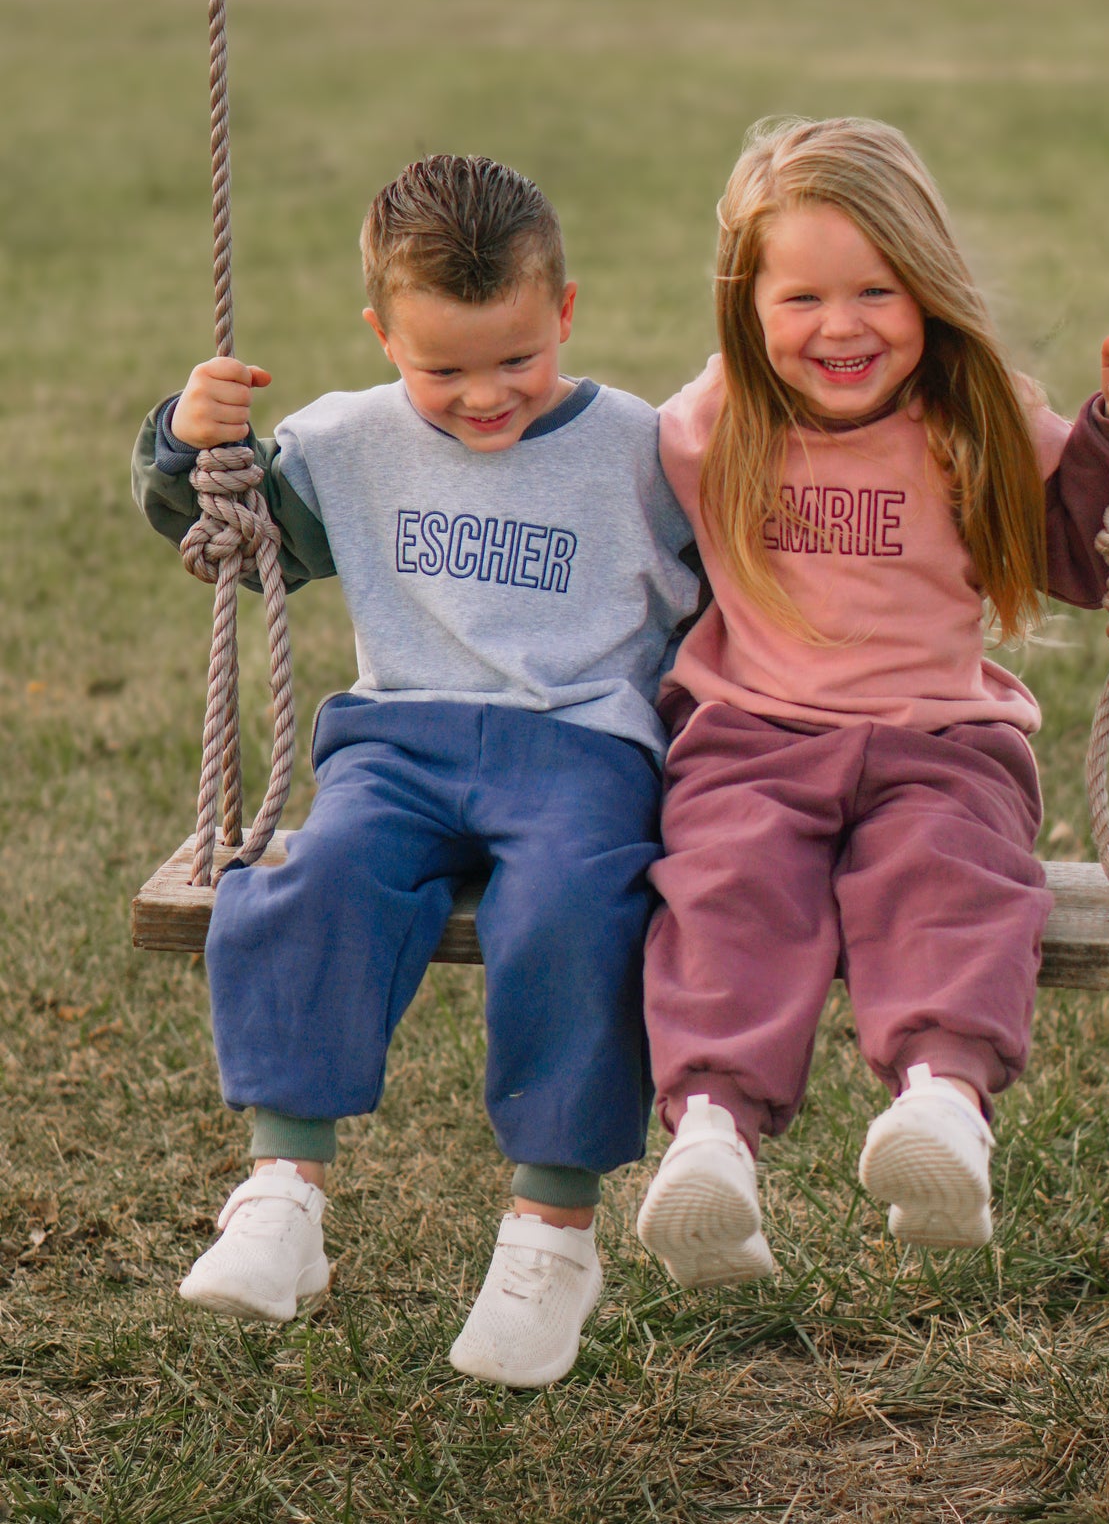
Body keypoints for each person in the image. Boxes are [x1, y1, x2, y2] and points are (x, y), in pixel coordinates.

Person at [133, 153, 699, 1386]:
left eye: (514, 358)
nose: (483, 396)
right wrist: (188, 441)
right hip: (397, 742)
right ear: (380, 331)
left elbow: (739, 581)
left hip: (580, 750)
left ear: (565, 310)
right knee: (315, 872)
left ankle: (551, 1230)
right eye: (439, 366)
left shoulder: (643, 449)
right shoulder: (348, 439)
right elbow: (215, 525)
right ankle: (283, 1185)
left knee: (571, 907)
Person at [635, 116, 1109, 1284]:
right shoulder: (707, 422)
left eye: (874, 290)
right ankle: (710, 1141)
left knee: (954, 875)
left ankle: (941, 1108)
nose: (839, 328)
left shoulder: (975, 419)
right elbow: (592, 505)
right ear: (746, 304)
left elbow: (1083, 557)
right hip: (750, 735)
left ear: (925, 286)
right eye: (799, 298)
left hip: (939, 736)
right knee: (725, 889)